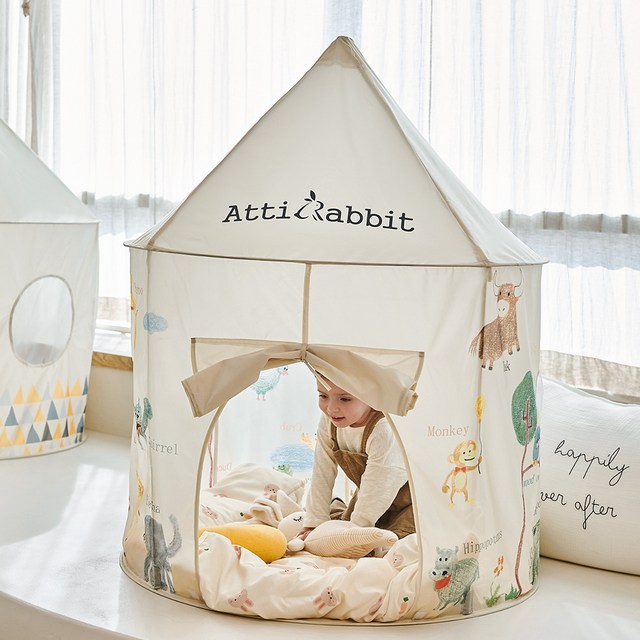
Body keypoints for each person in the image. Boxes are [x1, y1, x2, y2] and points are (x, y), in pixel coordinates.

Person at [298, 376, 414, 542]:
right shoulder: (329, 422)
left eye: (345, 399)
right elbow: (322, 471)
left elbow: (377, 488)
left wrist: (355, 531)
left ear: (372, 396)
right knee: (340, 528)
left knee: (395, 541)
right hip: (368, 497)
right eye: (323, 396)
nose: (331, 408)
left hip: (410, 505)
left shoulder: (383, 430)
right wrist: (315, 522)